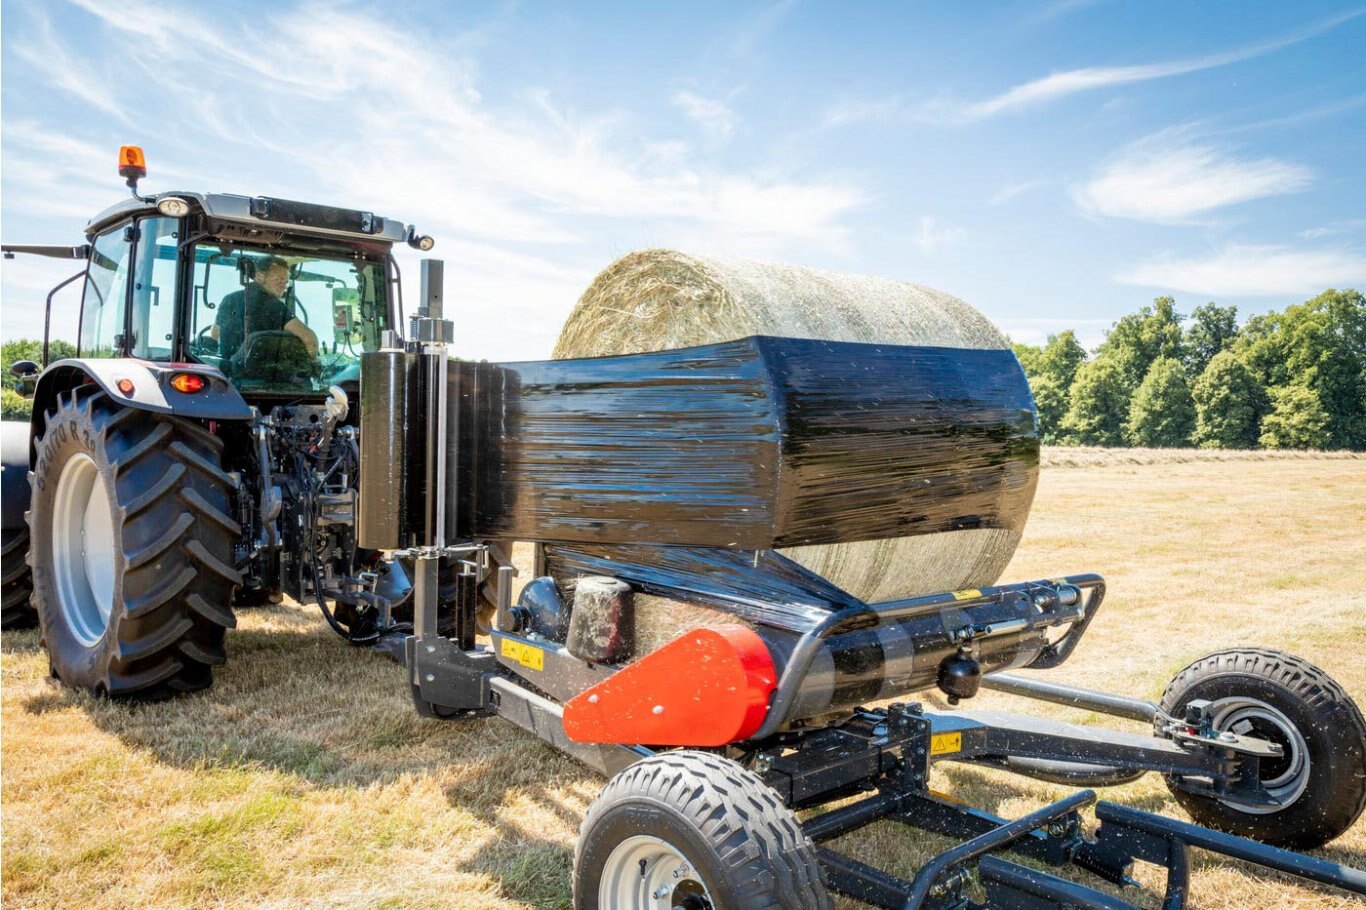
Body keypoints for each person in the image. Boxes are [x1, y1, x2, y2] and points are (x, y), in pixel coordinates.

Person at [211, 256, 318, 361]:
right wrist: (312, 365)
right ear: (259, 276)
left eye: (286, 282)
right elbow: (309, 339)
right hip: (263, 373)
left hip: (229, 371)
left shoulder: (229, 299)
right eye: (279, 279)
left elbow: (215, 333)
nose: (284, 286)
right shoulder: (273, 305)